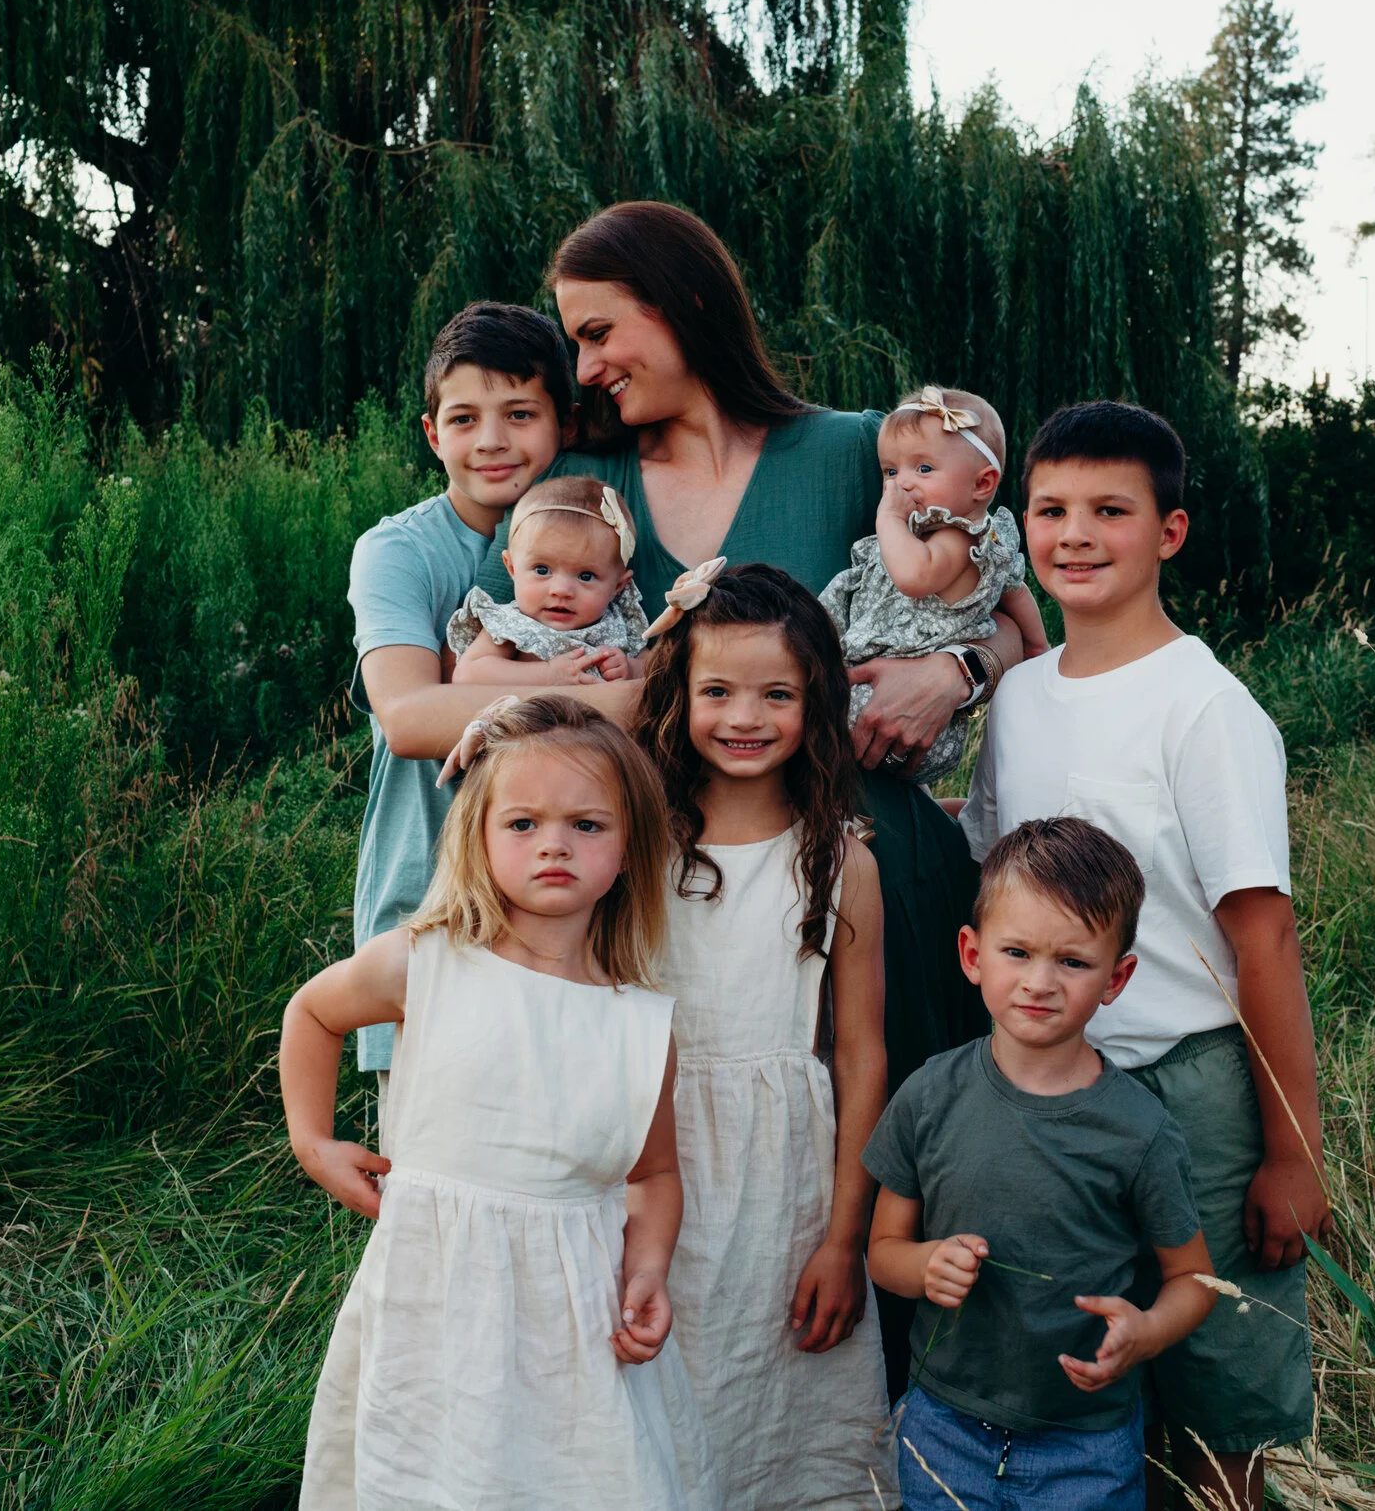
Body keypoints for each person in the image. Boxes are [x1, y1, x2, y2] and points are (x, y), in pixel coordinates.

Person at [469, 202, 1041, 1384]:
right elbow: (492, 665)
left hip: (870, 864)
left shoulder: (851, 451)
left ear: (677, 306)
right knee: (701, 1182)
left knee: (909, 1169)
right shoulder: (584, 486)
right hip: (680, 887)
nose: (582, 368)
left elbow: (1020, 610)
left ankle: (946, 1438)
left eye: (597, 331)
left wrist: (955, 669)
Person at [956, 402, 1329, 1510]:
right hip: (1045, 1084)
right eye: (1052, 510)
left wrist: (1292, 1151)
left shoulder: (1204, 707)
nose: (1075, 534)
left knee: (1220, 1383)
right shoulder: (1020, 697)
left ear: (1167, 531)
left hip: (1186, 1085)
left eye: (1109, 511)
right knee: (1083, 1364)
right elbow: (991, 863)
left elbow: (1260, 935)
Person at [284, 695, 713, 1509]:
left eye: (587, 824)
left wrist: (649, 1267)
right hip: (437, 1309)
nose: (555, 842)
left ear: (628, 850)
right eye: (524, 823)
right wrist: (315, 1140)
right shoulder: (427, 962)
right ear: (479, 834)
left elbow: (654, 1173)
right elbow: (313, 1011)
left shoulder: (640, 1022)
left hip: (574, 1328)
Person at [629, 560, 896, 1507]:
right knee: (653, 1406)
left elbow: (862, 1053)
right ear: (678, 694)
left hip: (785, 1183)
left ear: (814, 699)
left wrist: (844, 1238)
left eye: (777, 693)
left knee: (779, 1416)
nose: (745, 716)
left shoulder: (838, 860)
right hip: (649, 1163)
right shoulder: (634, 840)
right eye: (717, 691)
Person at [866, 817, 1215, 1511]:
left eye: (1073, 961)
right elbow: (883, 1252)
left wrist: (1145, 1331)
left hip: (1086, 1446)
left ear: (1117, 977)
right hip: (944, 1428)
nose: (1039, 981)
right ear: (972, 954)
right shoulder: (929, 1094)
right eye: (1016, 951)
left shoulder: (1138, 1130)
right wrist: (927, 1263)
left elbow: (1195, 1280)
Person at [345, 303, 614, 1075]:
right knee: (428, 1149)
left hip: (565, 898)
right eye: (464, 418)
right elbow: (410, 716)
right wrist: (608, 699)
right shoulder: (399, 551)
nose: (492, 439)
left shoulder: (601, 539)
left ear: (564, 422)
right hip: (431, 888)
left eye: (520, 413)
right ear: (433, 434)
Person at [818, 385, 1048, 785]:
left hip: (900, 713)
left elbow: (913, 578)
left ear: (982, 484)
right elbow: (1016, 593)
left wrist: (887, 520)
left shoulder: (957, 540)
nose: (901, 484)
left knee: (809, 715)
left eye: (923, 469)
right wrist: (1036, 646)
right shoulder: (972, 544)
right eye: (891, 471)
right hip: (889, 696)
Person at [448, 475, 648, 683]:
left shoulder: (620, 622)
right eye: (542, 570)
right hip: (525, 714)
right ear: (512, 568)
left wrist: (631, 669)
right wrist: (549, 674)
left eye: (585, 576)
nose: (561, 590)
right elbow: (467, 674)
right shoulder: (513, 624)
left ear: (617, 585)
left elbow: (656, 667)